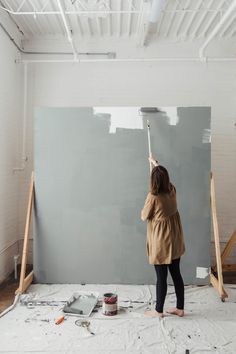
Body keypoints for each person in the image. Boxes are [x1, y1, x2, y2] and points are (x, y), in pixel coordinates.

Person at [141, 156, 185, 318]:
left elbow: (144, 216)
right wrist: (155, 164)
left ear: (153, 181)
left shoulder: (153, 197)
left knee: (161, 278)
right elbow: (164, 178)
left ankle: (158, 310)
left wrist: (154, 172)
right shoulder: (172, 190)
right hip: (174, 238)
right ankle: (180, 308)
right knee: (176, 274)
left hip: (161, 242)